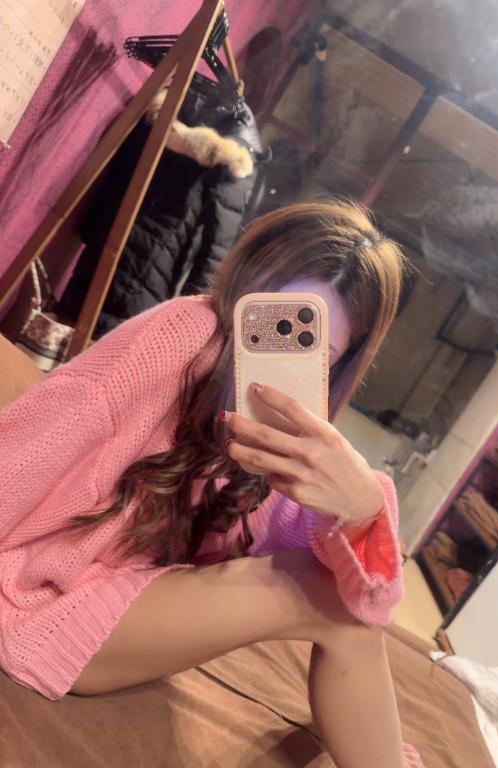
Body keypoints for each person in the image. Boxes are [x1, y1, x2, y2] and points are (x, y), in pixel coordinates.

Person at [0, 200, 423, 768]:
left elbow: (366, 599)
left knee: (341, 603)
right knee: (331, 603)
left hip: (119, 604)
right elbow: (33, 446)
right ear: (248, 290)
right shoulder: (186, 331)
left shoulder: (286, 427)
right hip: (43, 605)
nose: (278, 352)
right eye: (271, 319)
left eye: (313, 351)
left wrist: (362, 513)